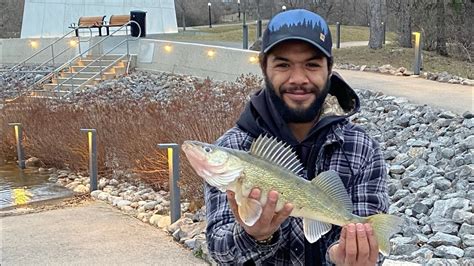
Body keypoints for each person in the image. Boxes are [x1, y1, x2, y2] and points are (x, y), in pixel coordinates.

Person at [204, 9, 389, 266]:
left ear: (329, 69)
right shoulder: (234, 148)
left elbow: (373, 247)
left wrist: (344, 255)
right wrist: (255, 236)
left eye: (312, 64)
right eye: (283, 64)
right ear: (264, 68)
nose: (299, 79)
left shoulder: (360, 148)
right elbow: (219, 248)